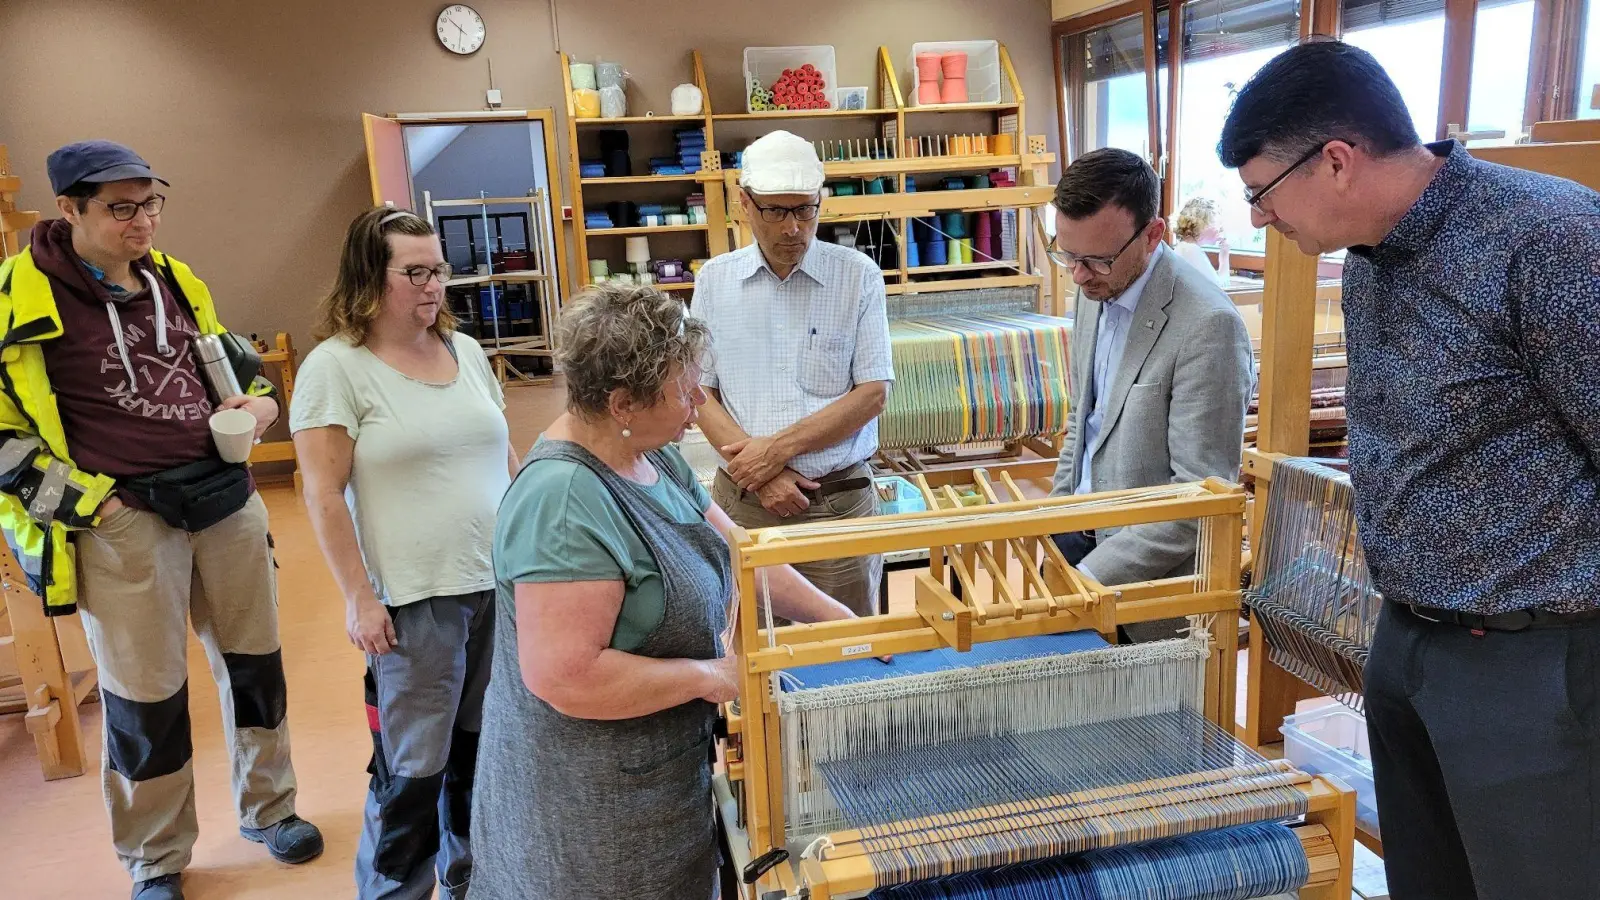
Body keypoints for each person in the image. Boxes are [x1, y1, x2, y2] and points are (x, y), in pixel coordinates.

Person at [1218, 41, 1600, 900]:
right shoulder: (1368, 262)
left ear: (1337, 160)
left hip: (1534, 660)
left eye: (1262, 192)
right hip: (1407, 638)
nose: (1259, 219)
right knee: (1427, 880)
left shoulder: (1550, 239)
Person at [0, 141, 321, 900]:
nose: (143, 221)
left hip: (224, 500)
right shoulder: (17, 297)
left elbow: (238, 368)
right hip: (122, 519)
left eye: (151, 203)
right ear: (69, 209)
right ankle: (156, 855)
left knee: (256, 669)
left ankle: (270, 809)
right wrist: (94, 507)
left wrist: (260, 406)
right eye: (122, 208)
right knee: (144, 699)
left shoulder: (174, 278)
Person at [468, 284, 859, 900]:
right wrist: (715, 676)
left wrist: (844, 625)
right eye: (684, 392)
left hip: (658, 780)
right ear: (622, 402)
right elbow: (566, 675)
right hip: (587, 816)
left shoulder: (654, 459)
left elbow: (742, 557)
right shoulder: (564, 503)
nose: (698, 406)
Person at [292, 208, 518, 900]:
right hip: (414, 602)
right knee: (414, 769)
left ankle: (468, 879)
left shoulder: (466, 351)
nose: (433, 285)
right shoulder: (336, 368)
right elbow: (322, 493)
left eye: (438, 269)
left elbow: (504, 457)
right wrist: (359, 598)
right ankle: (393, 890)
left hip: (497, 586)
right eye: (414, 272)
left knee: (481, 753)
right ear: (369, 278)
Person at [1044, 149, 1253, 640]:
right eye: (1067, 255)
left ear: (1153, 234)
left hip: (1143, 587)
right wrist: (1052, 523)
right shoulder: (1094, 287)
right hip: (1076, 543)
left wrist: (1088, 580)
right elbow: (1085, 421)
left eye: (1096, 260)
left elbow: (1197, 500)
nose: (1078, 275)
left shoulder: (1208, 326)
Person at [690, 130, 894, 618]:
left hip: (836, 505)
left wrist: (776, 453)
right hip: (744, 504)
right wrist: (763, 477)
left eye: (805, 210)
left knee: (849, 646)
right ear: (744, 203)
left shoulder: (858, 276)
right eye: (776, 211)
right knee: (753, 647)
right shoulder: (715, 281)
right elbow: (698, 392)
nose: (793, 228)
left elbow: (872, 393)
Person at [1171, 196, 1231, 287]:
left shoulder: (1184, 248)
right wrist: (1224, 256)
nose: (1220, 229)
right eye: (1216, 222)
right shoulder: (1191, 250)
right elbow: (1219, 289)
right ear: (1201, 223)